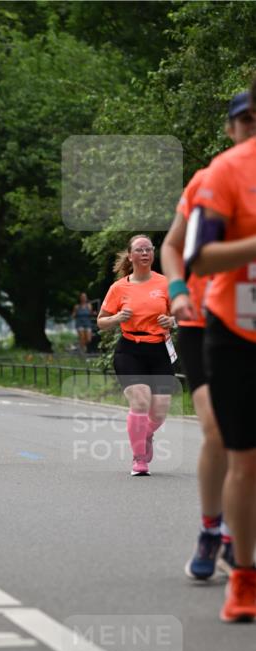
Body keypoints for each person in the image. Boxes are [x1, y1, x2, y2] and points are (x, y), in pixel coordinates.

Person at [160, 90, 255, 580]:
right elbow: (173, 248)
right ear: (229, 127)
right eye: (243, 121)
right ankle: (212, 529)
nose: (249, 128)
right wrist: (177, 292)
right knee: (218, 430)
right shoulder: (213, 178)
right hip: (206, 319)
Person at [186, 78, 256, 622]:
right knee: (242, 455)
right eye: (248, 120)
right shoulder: (227, 172)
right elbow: (199, 256)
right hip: (234, 326)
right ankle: (240, 572)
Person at [97, 235, 176, 476]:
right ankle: (139, 458)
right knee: (140, 400)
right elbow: (101, 321)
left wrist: (172, 320)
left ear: (153, 254)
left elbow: (182, 314)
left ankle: (146, 433)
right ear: (130, 256)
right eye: (140, 250)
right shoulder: (119, 287)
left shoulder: (165, 283)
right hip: (130, 348)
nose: (145, 253)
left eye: (149, 249)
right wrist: (117, 318)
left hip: (159, 348)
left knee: (160, 410)